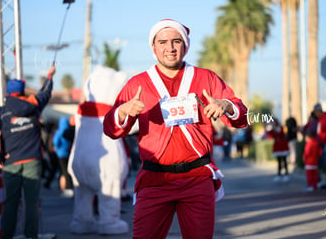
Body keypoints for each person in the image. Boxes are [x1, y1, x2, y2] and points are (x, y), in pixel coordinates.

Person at [103, 19, 248, 239]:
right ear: (154, 48)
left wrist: (226, 105)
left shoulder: (205, 78)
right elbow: (111, 130)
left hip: (197, 178)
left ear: (185, 45)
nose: (170, 48)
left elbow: (242, 116)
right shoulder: (138, 83)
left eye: (176, 41)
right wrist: (122, 112)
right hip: (153, 179)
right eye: (163, 42)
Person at [0, 66, 55, 239]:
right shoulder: (34, 105)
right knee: (31, 203)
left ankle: (7, 236)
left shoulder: (2, 112)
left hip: (11, 164)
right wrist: (49, 76)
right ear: (22, 91)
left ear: (8, 93)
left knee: (11, 203)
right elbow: (45, 92)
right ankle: (31, 235)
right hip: (33, 161)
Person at [52, 116, 74, 198]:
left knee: (63, 172)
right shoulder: (69, 130)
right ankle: (67, 188)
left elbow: (55, 142)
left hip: (60, 154)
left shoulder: (59, 131)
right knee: (67, 172)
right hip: (68, 153)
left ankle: (67, 188)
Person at [266, 118, 290, 182]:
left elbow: (283, 133)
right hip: (277, 145)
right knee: (279, 161)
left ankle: (286, 174)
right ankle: (279, 174)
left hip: (282, 144)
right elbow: (270, 135)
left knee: (284, 160)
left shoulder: (281, 127)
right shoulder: (272, 129)